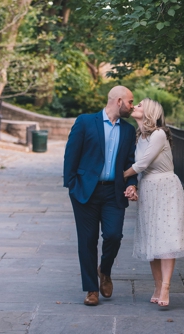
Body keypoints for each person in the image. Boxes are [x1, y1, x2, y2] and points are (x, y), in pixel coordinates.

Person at [63, 86, 138, 306]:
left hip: (114, 191)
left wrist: (132, 184)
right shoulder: (86, 122)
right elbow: (71, 154)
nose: (132, 106)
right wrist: (71, 186)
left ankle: (104, 270)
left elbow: (130, 163)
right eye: (130, 102)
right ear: (118, 101)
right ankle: (91, 289)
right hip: (85, 191)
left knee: (114, 235)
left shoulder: (128, 130)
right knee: (87, 241)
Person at [123, 98, 184, 308]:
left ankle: (165, 287)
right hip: (148, 187)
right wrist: (133, 186)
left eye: (139, 105)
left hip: (165, 187)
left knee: (166, 239)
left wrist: (119, 176)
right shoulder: (140, 137)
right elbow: (140, 168)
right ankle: (157, 285)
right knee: (152, 239)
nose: (134, 106)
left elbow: (142, 163)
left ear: (149, 112)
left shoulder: (159, 134)